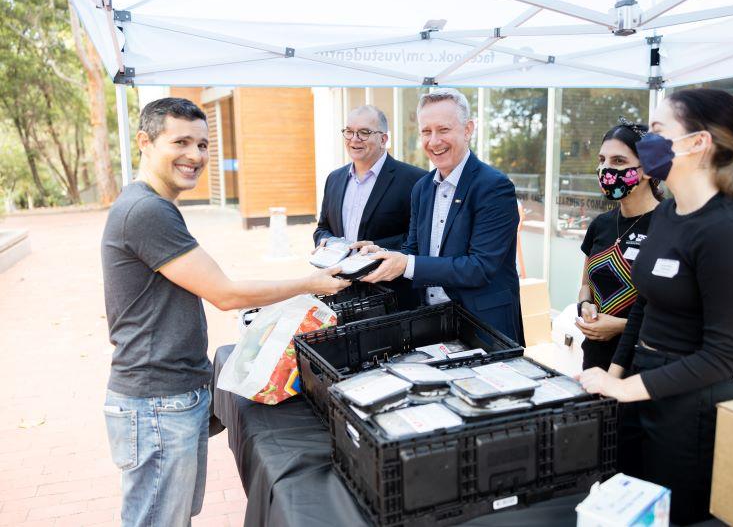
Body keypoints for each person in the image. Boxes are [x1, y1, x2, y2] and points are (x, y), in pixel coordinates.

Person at [101, 97, 349, 527]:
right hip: (157, 400)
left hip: (167, 394)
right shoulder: (146, 210)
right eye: (181, 142)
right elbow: (226, 293)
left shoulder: (151, 205)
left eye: (202, 144)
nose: (195, 156)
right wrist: (310, 284)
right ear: (144, 141)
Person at [578, 88, 733, 525]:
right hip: (639, 390)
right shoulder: (669, 216)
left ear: (698, 142)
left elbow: (723, 356)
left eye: (657, 131)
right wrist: (613, 379)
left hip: (689, 412)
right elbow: (646, 306)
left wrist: (627, 389)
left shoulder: (727, 229)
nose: (648, 142)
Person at [360, 88, 524, 345]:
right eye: (426, 131)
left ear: (468, 129)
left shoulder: (494, 187)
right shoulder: (422, 189)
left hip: (484, 327)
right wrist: (377, 252)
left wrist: (406, 263)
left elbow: (479, 267)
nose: (434, 141)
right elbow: (412, 249)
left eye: (443, 130)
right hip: (433, 323)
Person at [313, 105, 427, 310]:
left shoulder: (415, 180)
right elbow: (322, 227)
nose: (354, 139)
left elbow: (419, 239)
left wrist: (372, 248)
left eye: (364, 132)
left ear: (383, 139)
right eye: (349, 131)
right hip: (342, 292)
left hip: (393, 298)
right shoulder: (334, 179)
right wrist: (326, 242)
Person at [576, 119, 662, 370]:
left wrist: (618, 327)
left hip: (642, 366)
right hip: (594, 357)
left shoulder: (670, 225)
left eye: (618, 161)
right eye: (602, 160)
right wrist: (585, 307)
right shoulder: (600, 224)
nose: (605, 170)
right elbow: (585, 286)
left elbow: (675, 315)